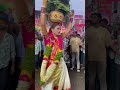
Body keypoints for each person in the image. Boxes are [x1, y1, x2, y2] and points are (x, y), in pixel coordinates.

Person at [39, 0, 74, 89]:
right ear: (52, 29)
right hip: (49, 64)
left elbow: (68, 29)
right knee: (49, 86)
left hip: (60, 64)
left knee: (60, 85)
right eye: (58, 29)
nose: (60, 30)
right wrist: (43, 6)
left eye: (60, 29)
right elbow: (42, 24)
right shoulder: (47, 37)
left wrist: (71, 18)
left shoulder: (60, 37)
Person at [86, 13, 119, 90]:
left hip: (101, 59)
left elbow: (109, 44)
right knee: (91, 80)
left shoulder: (104, 31)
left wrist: (116, 51)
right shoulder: (88, 30)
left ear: (99, 19)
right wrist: (86, 58)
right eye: (92, 17)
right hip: (91, 59)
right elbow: (86, 45)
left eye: (94, 17)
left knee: (102, 80)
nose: (92, 19)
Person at [0, 12, 15, 90]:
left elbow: (13, 52)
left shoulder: (10, 38)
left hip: (4, 66)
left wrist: (13, 65)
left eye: (2, 22)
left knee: (3, 85)